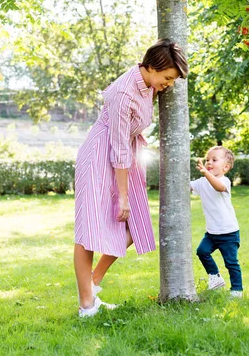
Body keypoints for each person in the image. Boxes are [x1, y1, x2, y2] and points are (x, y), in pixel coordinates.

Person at [74, 39, 189, 317]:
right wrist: (123, 196)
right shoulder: (124, 93)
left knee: (134, 226)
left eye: (173, 80)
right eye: (168, 77)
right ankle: (86, 306)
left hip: (123, 157)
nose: (169, 84)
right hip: (101, 157)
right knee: (89, 232)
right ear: (151, 66)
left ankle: (93, 282)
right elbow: (118, 147)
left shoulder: (147, 84)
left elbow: (127, 140)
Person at [190, 146, 243, 298]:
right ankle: (215, 277)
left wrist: (206, 173)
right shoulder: (201, 182)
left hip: (229, 232)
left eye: (214, 160)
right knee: (202, 251)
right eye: (207, 160)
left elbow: (218, 187)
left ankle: (237, 290)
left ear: (226, 167)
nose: (209, 162)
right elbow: (187, 186)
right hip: (212, 232)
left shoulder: (224, 181)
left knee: (231, 262)